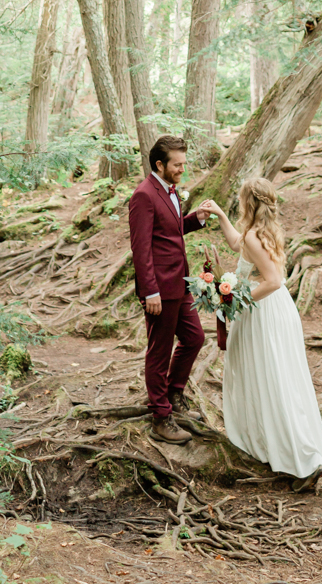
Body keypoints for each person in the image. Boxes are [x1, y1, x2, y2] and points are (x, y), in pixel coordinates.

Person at [200, 178, 322, 480]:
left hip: (263, 311)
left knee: (273, 380)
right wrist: (220, 215)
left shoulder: (256, 237)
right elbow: (237, 244)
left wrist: (231, 300)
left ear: (250, 202)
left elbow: (272, 281)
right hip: (272, 309)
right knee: (269, 377)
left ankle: (299, 461)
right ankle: (272, 450)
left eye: (242, 198)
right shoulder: (258, 232)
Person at [128, 134, 208, 445]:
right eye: (177, 165)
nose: (182, 169)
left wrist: (195, 219)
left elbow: (170, 231)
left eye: (184, 163)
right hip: (160, 289)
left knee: (194, 338)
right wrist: (150, 292)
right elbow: (141, 248)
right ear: (159, 164)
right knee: (159, 351)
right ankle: (161, 417)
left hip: (180, 282)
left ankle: (175, 395)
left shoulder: (170, 192)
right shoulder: (144, 195)